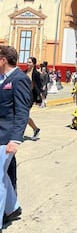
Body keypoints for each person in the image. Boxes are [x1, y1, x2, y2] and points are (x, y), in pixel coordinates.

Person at [0, 45, 32, 231]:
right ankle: (12, 208)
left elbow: (22, 111)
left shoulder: (19, 79)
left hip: (6, 137)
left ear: (3, 60)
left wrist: (15, 140)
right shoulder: (2, 78)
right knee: (2, 175)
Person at [23, 57, 41, 140]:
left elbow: (39, 86)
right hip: (22, 96)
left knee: (24, 115)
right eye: (27, 62)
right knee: (23, 115)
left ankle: (34, 129)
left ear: (33, 64)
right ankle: (36, 129)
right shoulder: (24, 72)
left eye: (30, 62)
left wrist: (39, 98)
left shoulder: (36, 74)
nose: (28, 63)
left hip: (30, 96)